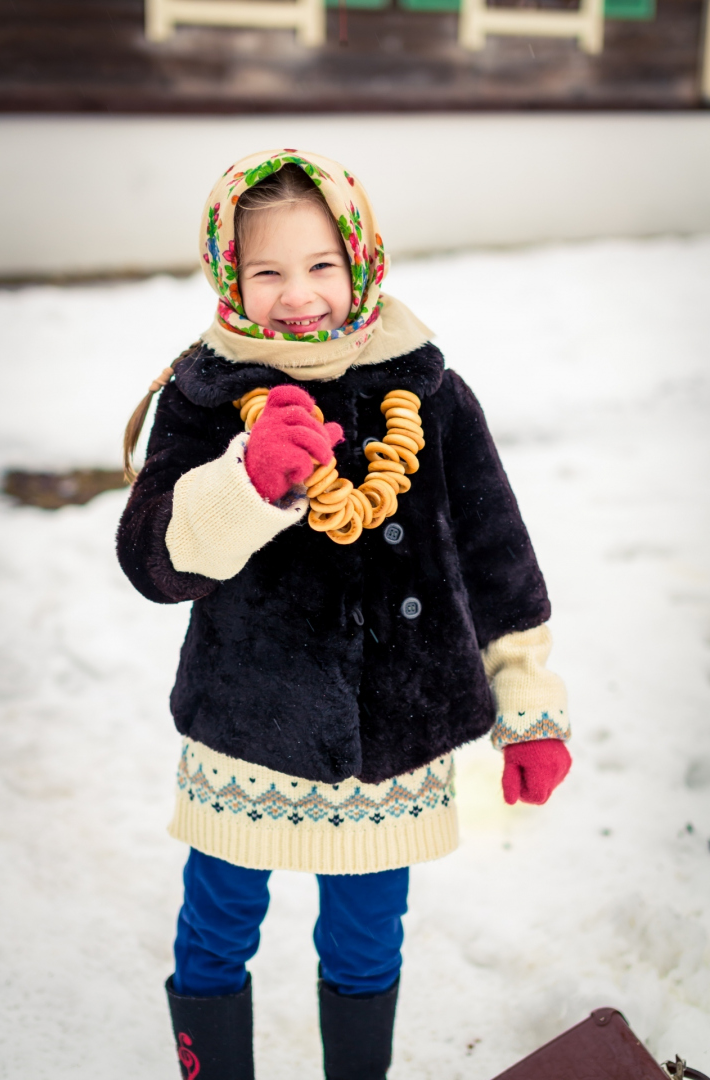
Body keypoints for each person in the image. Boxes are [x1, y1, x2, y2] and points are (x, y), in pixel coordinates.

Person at [117, 149, 571, 1080]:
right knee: (216, 927)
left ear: (362, 260)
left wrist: (527, 703)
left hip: (389, 737)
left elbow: (496, 558)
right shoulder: (207, 397)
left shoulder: (430, 392)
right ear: (228, 275)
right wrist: (244, 482)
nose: (298, 296)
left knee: (367, 943)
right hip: (246, 730)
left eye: (321, 264)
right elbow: (154, 561)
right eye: (267, 271)